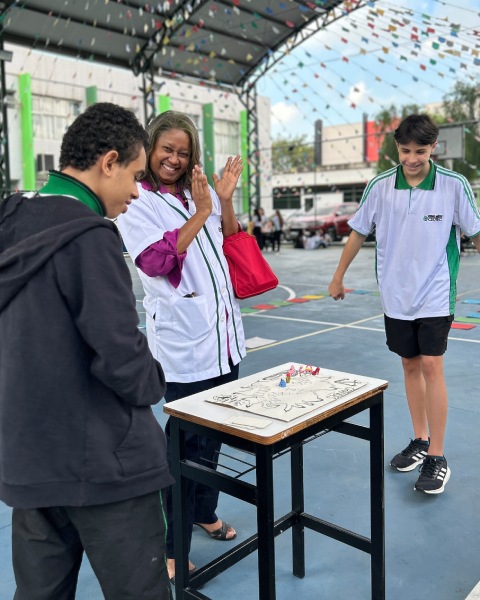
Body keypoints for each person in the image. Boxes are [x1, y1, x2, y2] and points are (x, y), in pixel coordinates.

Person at [0, 102, 173, 599]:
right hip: (104, 465)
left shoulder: (11, 220)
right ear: (108, 162)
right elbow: (121, 358)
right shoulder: (90, 236)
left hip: (30, 459)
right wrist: (154, 380)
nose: (136, 192)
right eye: (135, 176)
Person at [116, 110, 246, 581]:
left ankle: (204, 512)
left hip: (223, 337)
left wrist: (222, 203)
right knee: (186, 447)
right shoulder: (139, 200)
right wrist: (202, 213)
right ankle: (172, 546)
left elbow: (230, 241)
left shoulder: (198, 193)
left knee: (217, 435)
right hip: (185, 346)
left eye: (183, 152)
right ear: (150, 148)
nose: (174, 159)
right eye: (167, 149)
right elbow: (154, 261)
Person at [328, 114, 480, 495]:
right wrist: (338, 275)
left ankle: (437, 457)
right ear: (397, 148)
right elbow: (357, 233)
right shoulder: (380, 187)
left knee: (431, 365)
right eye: (406, 151)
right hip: (396, 296)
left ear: (433, 148)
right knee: (409, 365)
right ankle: (420, 439)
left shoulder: (453, 185)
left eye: (420, 151)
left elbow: (476, 233)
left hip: (435, 292)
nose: (412, 159)